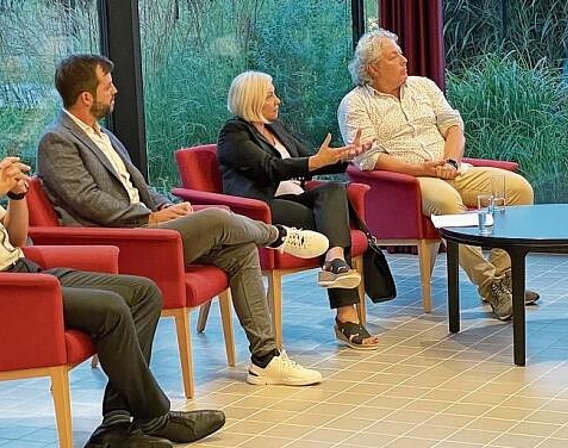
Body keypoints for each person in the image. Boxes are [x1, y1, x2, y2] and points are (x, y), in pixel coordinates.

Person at [37, 54, 326, 387]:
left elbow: (140, 188)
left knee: (240, 248)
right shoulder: (57, 139)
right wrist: (149, 217)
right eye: (108, 85)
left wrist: (170, 207)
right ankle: (277, 235)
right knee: (218, 217)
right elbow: (88, 200)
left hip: (149, 230)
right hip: (120, 244)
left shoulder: (104, 135)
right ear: (86, 97)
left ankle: (266, 359)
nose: (115, 90)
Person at [0, 155, 225, 447]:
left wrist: (18, 196)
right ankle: (155, 416)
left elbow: (16, 239)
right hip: (13, 294)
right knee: (112, 308)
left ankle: (116, 423)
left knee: (144, 293)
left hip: (29, 273)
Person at [338, 29, 537, 321]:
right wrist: (423, 169)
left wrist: (452, 160)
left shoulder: (423, 87)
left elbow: (453, 125)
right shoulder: (355, 104)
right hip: (410, 184)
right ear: (373, 68)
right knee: (447, 201)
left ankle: (506, 276)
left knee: (519, 189)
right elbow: (369, 159)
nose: (405, 60)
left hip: (452, 169)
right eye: (395, 56)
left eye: (402, 53)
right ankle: (489, 284)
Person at [217, 71, 378, 350]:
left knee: (333, 191)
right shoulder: (233, 134)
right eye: (270, 95)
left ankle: (335, 258)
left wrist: (345, 155)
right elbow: (270, 168)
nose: (277, 100)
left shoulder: (275, 127)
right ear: (252, 99)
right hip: (261, 210)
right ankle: (345, 315)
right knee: (331, 223)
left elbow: (309, 160)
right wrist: (315, 161)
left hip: (295, 201)